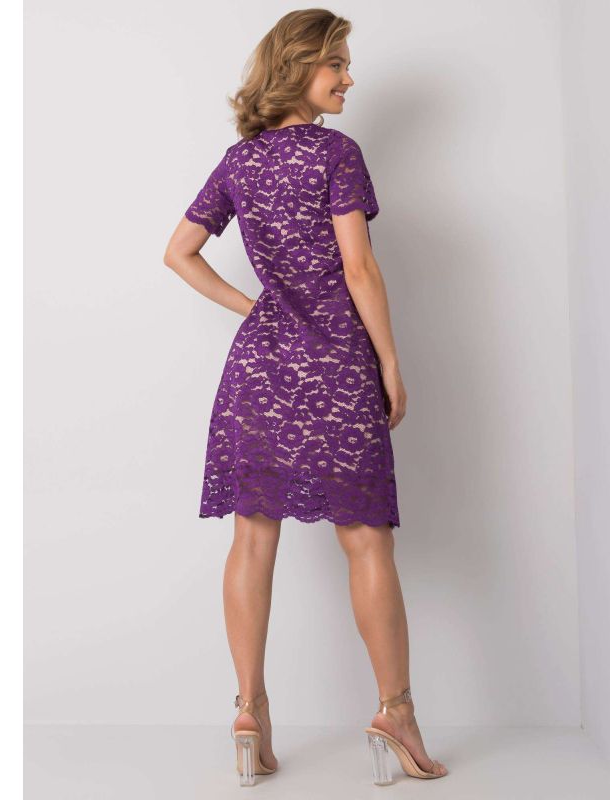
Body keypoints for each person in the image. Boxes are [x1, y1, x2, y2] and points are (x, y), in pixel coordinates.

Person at [163, 9, 447, 786]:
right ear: (297, 67)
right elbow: (359, 269)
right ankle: (396, 713)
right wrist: (390, 361)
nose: (349, 78)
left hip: (258, 369)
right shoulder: (335, 154)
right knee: (367, 540)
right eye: (337, 64)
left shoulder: (239, 162)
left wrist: (253, 309)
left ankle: (249, 711)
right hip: (336, 363)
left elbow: (179, 252)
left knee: (252, 539)